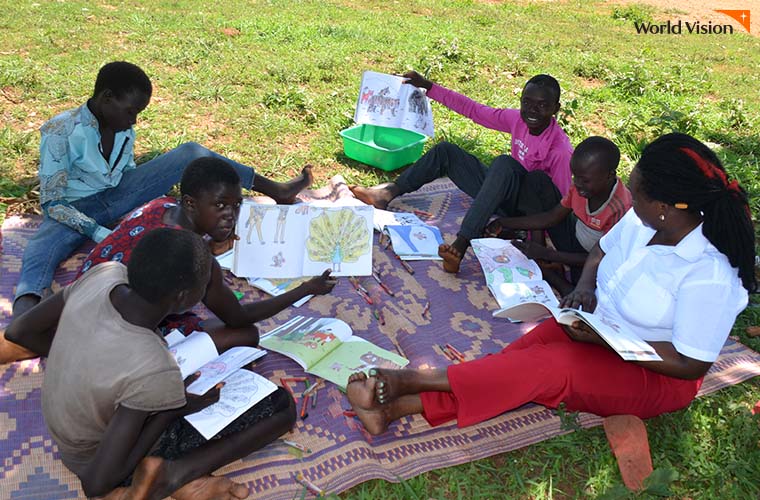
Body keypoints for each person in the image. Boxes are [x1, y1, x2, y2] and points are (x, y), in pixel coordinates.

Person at [345, 132, 755, 435]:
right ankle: (395, 411)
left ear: (665, 207)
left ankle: (408, 380)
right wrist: (587, 290)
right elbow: (600, 253)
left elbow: (690, 364)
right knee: (521, 357)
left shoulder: (710, 273)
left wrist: (608, 344)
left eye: (637, 193)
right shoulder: (643, 219)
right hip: (601, 330)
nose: (629, 197)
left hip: (655, 376)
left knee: (551, 368)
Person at [5, 228, 297, 499]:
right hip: (93, 457)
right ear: (184, 297)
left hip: (65, 426)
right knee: (282, 407)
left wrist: (81, 354)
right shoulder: (155, 367)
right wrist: (172, 411)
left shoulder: (104, 275)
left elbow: (19, 331)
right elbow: (95, 483)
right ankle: (173, 475)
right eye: (205, 284)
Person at [12, 61, 314, 319]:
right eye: (131, 112)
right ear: (106, 98)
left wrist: (145, 207)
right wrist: (97, 231)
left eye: (138, 113)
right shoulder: (59, 131)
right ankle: (27, 313)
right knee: (40, 249)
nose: (134, 121)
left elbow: (127, 175)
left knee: (190, 153)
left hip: (118, 195)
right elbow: (52, 203)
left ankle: (277, 189)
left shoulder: (121, 125)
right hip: (75, 208)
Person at [0, 157, 336, 362]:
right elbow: (238, 316)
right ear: (190, 203)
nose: (231, 215)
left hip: (84, 297)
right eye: (220, 205)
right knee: (245, 336)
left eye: (236, 205)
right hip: (119, 335)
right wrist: (304, 289)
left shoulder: (158, 206)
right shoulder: (192, 258)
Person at [350, 70, 573, 273]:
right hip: (502, 194)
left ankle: (461, 243)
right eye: (527, 102)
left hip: (526, 213)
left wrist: (531, 236)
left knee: (505, 164)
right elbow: (474, 110)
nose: (533, 110)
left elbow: (558, 205)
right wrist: (429, 87)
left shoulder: (560, 150)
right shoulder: (517, 119)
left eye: (543, 105)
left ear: (556, 109)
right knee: (446, 152)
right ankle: (387, 193)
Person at [484, 136, 632, 295]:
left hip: (595, 258)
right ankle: (547, 265)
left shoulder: (621, 208)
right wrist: (503, 222)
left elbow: (604, 258)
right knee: (537, 180)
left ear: (609, 175)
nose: (577, 184)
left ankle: (559, 281)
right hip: (576, 238)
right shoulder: (581, 187)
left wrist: (548, 254)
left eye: (585, 180)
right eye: (575, 177)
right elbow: (551, 217)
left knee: (589, 288)